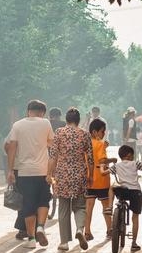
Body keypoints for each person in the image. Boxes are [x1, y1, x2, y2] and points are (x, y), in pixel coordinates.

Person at [6, 99, 54, 249]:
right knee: (43, 201)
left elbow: (11, 147)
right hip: (42, 170)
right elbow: (51, 144)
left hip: (23, 171)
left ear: (28, 111)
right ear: (42, 113)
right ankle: (40, 227)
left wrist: (10, 170)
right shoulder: (46, 123)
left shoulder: (17, 125)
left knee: (28, 205)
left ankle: (31, 239)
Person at [48, 108, 94, 251]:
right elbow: (91, 159)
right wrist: (91, 176)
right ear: (78, 120)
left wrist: (49, 174)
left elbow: (53, 156)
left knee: (63, 209)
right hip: (79, 175)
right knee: (80, 206)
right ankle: (80, 229)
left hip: (62, 175)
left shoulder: (59, 133)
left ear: (67, 120)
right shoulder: (85, 134)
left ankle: (64, 242)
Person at [106, 145, 142, 252]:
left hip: (122, 191)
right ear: (130, 155)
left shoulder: (116, 165)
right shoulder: (135, 163)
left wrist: (103, 167)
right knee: (135, 217)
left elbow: (105, 173)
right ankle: (134, 243)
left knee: (112, 187)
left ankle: (109, 207)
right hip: (135, 192)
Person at [84, 118, 115, 242]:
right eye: (102, 131)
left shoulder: (86, 144)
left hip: (89, 179)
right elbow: (102, 160)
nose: (104, 134)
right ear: (95, 132)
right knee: (106, 206)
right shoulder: (100, 143)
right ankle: (109, 229)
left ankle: (87, 231)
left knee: (88, 207)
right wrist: (112, 160)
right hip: (101, 179)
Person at [48, 107, 66, 218]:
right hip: (60, 157)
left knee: (48, 180)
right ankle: (56, 195)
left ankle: (48, 209)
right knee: (57, 181)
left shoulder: (46, 124)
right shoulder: (63, 124)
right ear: (59, 115)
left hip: (47, 157)